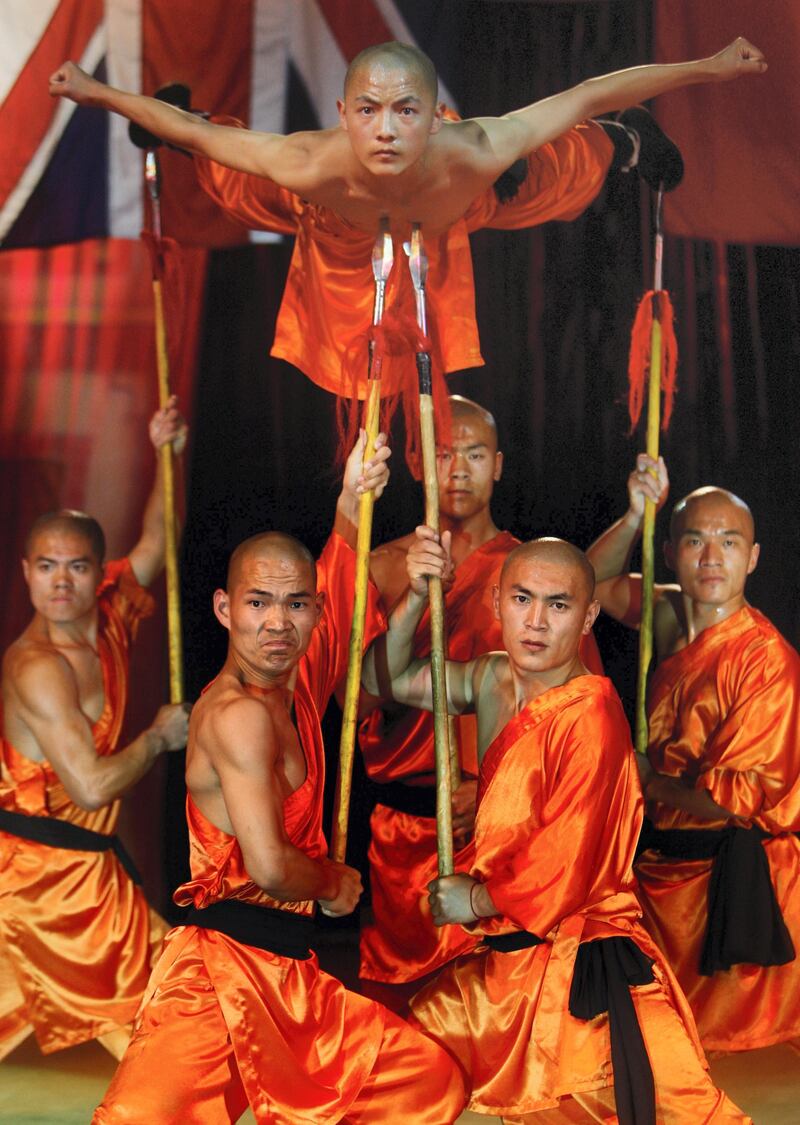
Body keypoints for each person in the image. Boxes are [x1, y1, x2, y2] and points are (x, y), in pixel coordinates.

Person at [93, 435, 466, 1124]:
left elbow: (341, 573)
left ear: (314, 614)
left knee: (426, 1082)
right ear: (223, 609)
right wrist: (333, 881)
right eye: (258, 603)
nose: (277, 622)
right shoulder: (237, 716)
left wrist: (353, 493)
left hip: (293, 979)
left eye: (295, 605)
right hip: (216, 977)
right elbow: (267, 866)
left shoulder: (297, 682)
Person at [48, 39, 765, 396]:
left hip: (452, 202)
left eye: (405, 112)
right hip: (330, 213)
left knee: (552, 178)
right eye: (368, 111)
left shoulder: (476, 146)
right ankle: (178, 118)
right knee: (233, 178)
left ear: (434, 115)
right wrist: (93, 90)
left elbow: (589, 90)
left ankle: (628, 143)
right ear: (343, 115)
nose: (385, 131)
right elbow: (216, 145)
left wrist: (711, 67)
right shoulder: (309, 161)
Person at [362, 532, 749, 1122]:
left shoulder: (591, 715)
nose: (536, 622)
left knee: (681, 1113)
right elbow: (383, 680)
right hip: (505, 962)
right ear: (497, 604)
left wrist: (474, 897)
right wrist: (416, 597)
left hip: (582, 964)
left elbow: (563, 865)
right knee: (402, 1070)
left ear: (589, 616)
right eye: (522, 599)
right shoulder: (490, 679)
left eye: (559, 605)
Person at [358, 394, 602, 1010]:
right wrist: (415, 598)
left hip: (508, 842)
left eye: (473, 453)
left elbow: (575, 714)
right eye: (443, 453)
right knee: (403, 1022)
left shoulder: (536, 572)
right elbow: (368, 688)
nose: (458, 469)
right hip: (405, 822)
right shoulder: (385, 566)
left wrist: (492, 795)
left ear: (498, 464)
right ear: (417, 462)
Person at [586, 456, 800, 1053]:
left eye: (729, 542)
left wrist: (645, 782)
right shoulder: (666, 612)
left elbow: (739, 800)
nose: (711, 558)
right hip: (661, 865)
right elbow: (588, 585)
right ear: (672, 552)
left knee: (706, 1051)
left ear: (752, 558)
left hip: (730, 879)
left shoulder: (768, 661)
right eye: (695, 541)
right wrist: (634, 516)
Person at [0, 399, 190, 1062]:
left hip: (82, 875)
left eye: (76, 566)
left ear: (96, 569)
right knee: (173, 1012)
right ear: (26, 572)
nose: (60, 581)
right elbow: (88, 786)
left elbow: (158, 540)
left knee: (178, 1004)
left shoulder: (109, 608)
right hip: (36, 885)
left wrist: (166, 450)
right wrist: (159, 738)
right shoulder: (35, 667)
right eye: (45, 566)